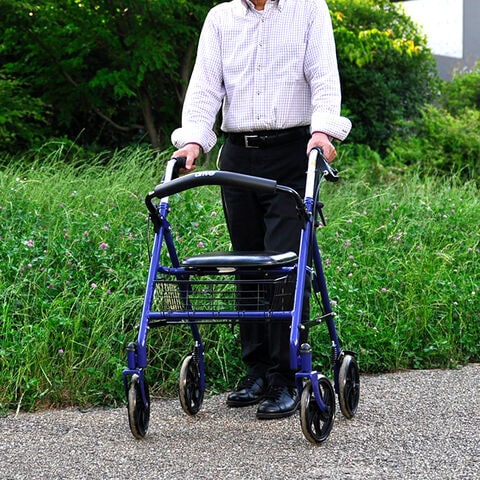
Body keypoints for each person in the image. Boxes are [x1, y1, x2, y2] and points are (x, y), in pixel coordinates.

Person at [171, 0, 351, 420]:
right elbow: (205, 87)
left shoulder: (309, 9)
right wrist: (193, 139)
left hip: (293, 153)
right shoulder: (221, 18)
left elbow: (324, 77)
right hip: (238, 154)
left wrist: (323, 131)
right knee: (248, 263)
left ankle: (285, 376)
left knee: (284, 264)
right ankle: (256, 372)